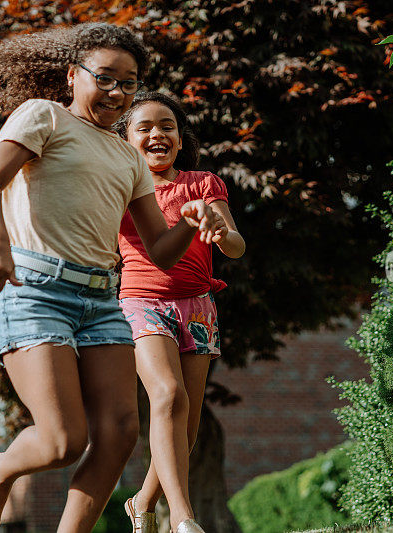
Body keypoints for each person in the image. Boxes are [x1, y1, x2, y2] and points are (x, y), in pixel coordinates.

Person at [0, 25, 222, 533]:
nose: (117, 92)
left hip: (102, 298)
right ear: (72, 76)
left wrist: (192, 221)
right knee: (62, 441)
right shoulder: (45, 116)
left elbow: (161, 251)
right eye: (105, 78)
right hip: (38, 291)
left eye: (129, 83)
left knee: (121, 432)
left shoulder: (128, 156)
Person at [114, 92, 246, 533]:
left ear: (180, 136)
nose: (157, 134)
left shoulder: (203, 183)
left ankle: (142, 502)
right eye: (145, 128)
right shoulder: (120, 186)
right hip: (140, 303)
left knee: (186, 425)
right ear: (126, 140)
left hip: (198, 305)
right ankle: (183, 520)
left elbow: (236, 246)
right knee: (168, 396)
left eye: (167, 126)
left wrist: (215, 222)